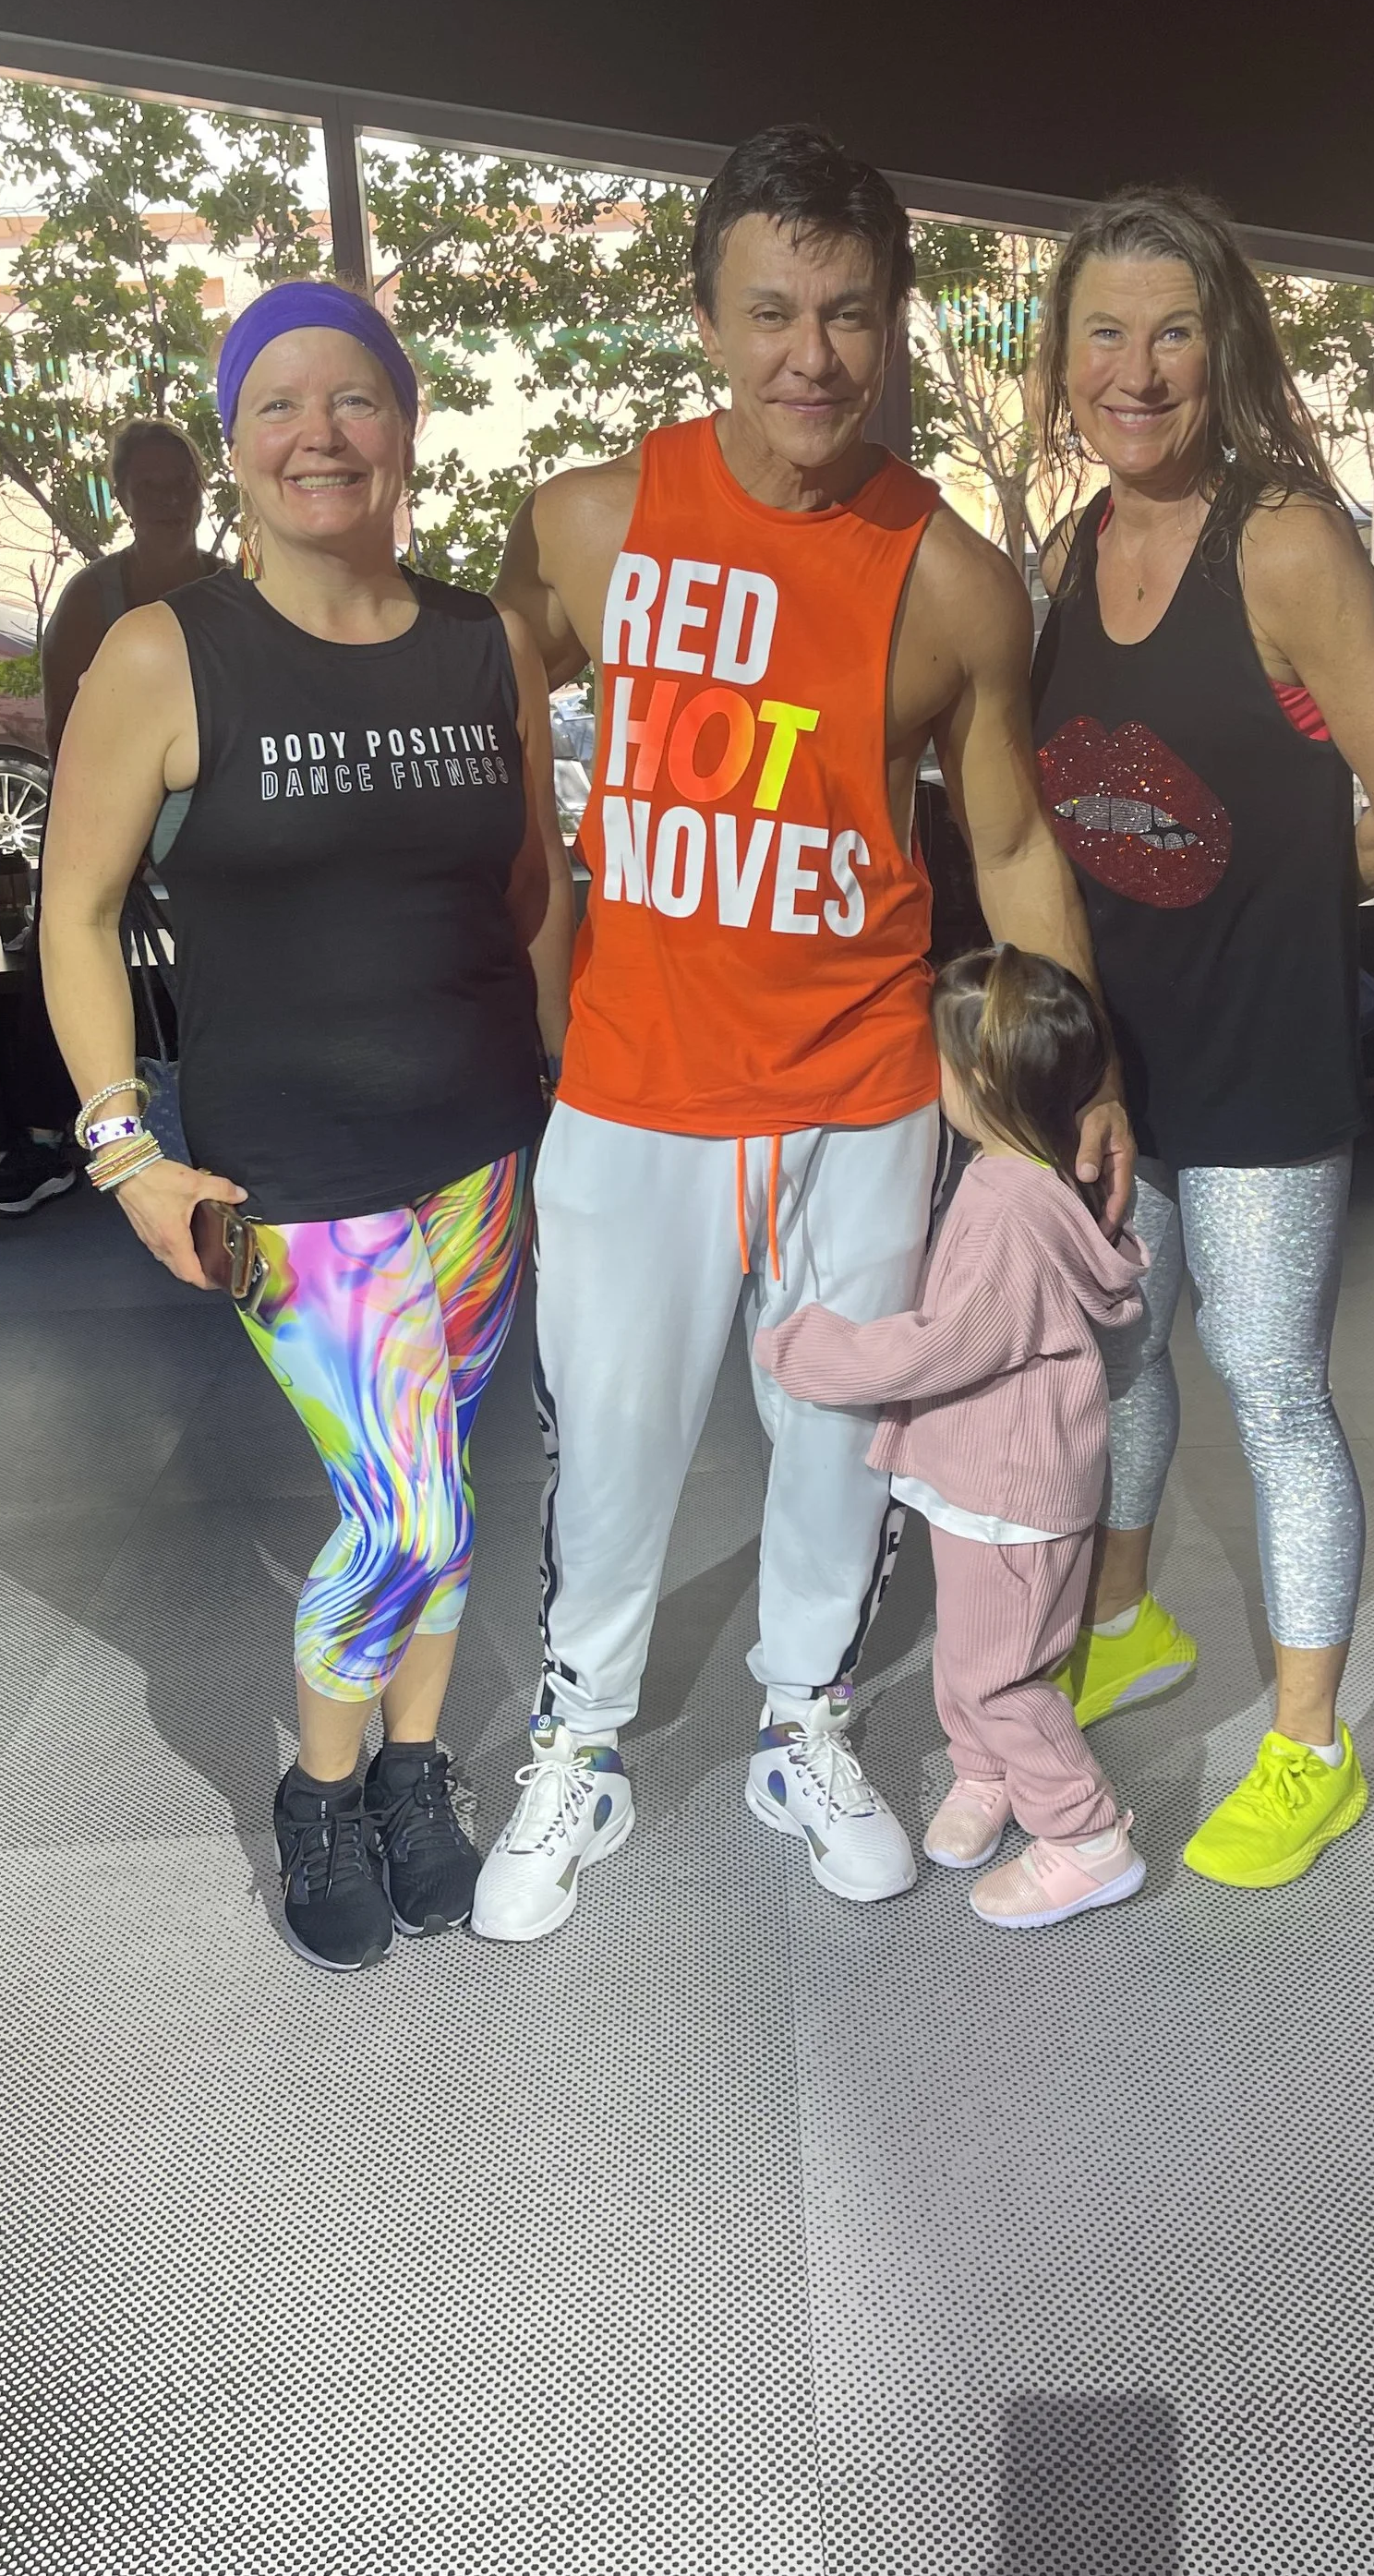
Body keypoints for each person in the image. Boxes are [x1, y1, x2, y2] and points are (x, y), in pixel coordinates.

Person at [471, 125, 1133, 1944]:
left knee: (844, 1439)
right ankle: (582, 1746)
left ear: (894, 321)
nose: (810, 354)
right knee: (607, 1440)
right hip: (634, 1081)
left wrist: (1082, 1078)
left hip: (855, 1092)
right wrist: (519, 948)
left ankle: (804, 1721)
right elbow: (485, 689)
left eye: (847, 313)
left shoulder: (952, 579)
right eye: (770, 310)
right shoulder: (587, 523)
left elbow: (1006, 843)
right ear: (704, 317)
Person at [39, 282, 572, 1969]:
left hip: (483, 1145)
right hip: (293, 1168)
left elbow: (533, 881)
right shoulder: (166, 650)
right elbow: (74, 912)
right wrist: (125, 1151)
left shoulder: (487, 639)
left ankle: (419, 1775)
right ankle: (322, 1790)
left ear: (405, 430)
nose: (319, 434)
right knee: (404, 1511)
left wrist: (570, 1101)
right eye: (279, 405)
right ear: (235, 443)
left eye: (355, 400)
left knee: (451, 1489)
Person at [1029, 184, 1374, 1888]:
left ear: (1230, 348)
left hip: (1265, 1052)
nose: (1136, 370)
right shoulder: (1070, 549)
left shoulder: (1281, 537)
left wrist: (1262, 906)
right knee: (1126, 1357)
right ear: (1063, 357)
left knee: (1272, 1384)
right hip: (1116, 1053)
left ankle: (1313, 1745)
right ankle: (1126, 1618)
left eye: (1175, 332)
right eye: (1103, 333)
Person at [755, 946, 1149, 1929]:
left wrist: (810, 1349)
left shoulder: (1007, 1204)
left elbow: (945, 1347)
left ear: (974, 1080)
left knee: (1000, 1670)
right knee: (979, 1647)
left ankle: (1086, 1836)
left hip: (1009, 1489)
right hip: (992, 1478)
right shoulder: (1024, 1171)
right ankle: (988, 1775)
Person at [0, 419, 221, 1218]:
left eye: (180, 483)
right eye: (150, 487)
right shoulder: (91, 600)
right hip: (118, 804)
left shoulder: (236, 588)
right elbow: (66, 740)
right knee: (66, 927)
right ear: (123, 497)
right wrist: (133, 836)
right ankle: (50, 1140)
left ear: (202, 487)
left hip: (213, 805)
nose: (169, 499)